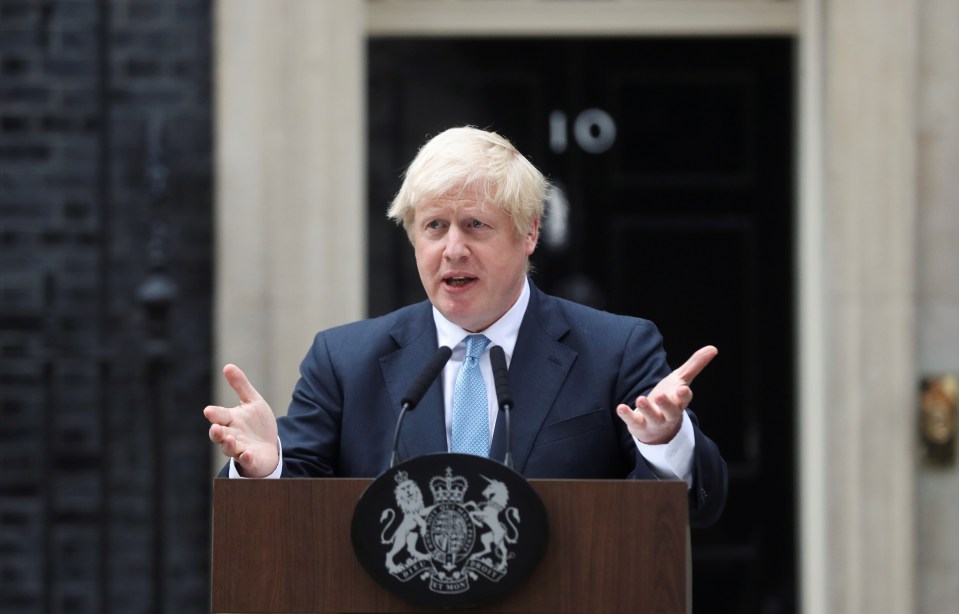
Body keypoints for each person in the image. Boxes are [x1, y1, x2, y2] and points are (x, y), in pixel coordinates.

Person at [204, 126, 727, 527]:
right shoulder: (344, 361)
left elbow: (697, 508)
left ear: (529, 234)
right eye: (434, 226)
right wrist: (266, 469)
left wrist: (664, 444)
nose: (453, 248)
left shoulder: (616, 350)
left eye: (475, 224)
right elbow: (294, 514)